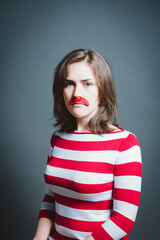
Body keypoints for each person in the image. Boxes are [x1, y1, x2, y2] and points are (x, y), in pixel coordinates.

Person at [33, 49, 142, 240]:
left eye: (87, 84)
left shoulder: (125, 143)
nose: (76, 93)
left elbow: (124, 219)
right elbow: (51, 199)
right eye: (69, 84)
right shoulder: (58, 138)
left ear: (103, 88)